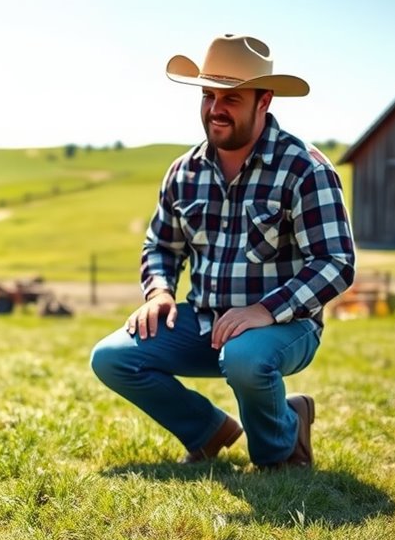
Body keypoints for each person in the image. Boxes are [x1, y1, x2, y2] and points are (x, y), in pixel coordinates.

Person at [90, 34, 356, 469]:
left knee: (245, 356)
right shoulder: (183, 171)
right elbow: (160, 244)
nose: (216, 108)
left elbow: (336, 263)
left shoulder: (305, 168)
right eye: (209, 95)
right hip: (204, 319)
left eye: (231, 98)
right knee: (112, 358)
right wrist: (158, 292)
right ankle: (209, 430)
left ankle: (283, 447)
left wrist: (264, 311)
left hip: (286, 325)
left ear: (263, 100)